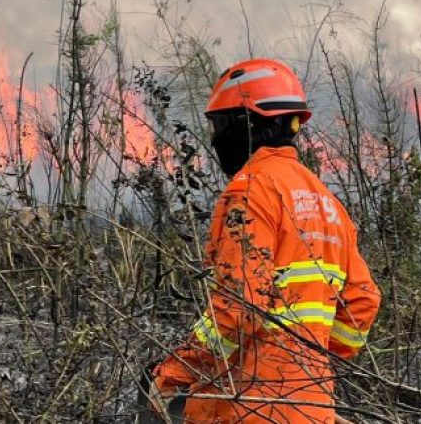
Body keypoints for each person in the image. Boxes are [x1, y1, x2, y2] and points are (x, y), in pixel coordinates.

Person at [150, 58, 381, 423]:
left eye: (221, 123)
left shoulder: (251, 191)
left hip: (247, 407)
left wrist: (174, 372)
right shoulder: (327, 202)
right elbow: (362, 303)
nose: (216, 137)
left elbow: (239, 306)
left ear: (246, 123)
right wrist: (308, 370)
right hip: (314, 409)